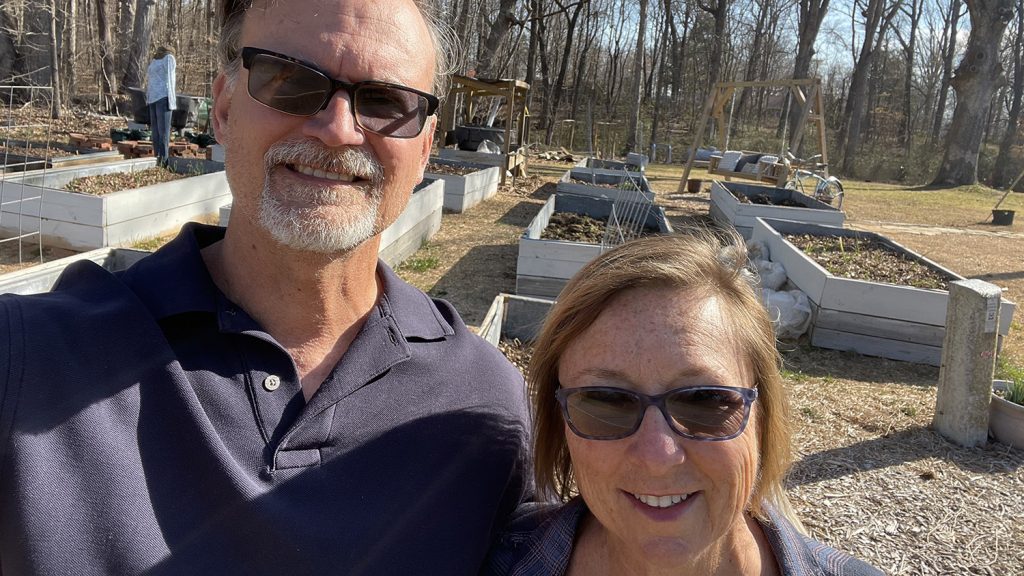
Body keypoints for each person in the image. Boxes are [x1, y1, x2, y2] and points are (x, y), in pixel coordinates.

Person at [0, 1, 531, 574]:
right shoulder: (29, 358)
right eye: (291, 81)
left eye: (384, 102)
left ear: (424, 148)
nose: (336, 130)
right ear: (225, 110)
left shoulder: (485, 407)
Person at [486, 232, 883, 576]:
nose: (658, 456)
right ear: (561, 425)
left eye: (704, 401)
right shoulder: (489, 560)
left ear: (762, 418)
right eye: (606, 402)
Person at [146, 45, 177, 166]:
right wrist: (148, 97)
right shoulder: (159, 60)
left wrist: (171, 100)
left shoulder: (166, 59)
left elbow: (170, 78)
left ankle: (163, 161)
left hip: (162, 97)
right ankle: (157, 159)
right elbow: (152, 80)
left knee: (162, 132)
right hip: (156, 97)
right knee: (156, 132)